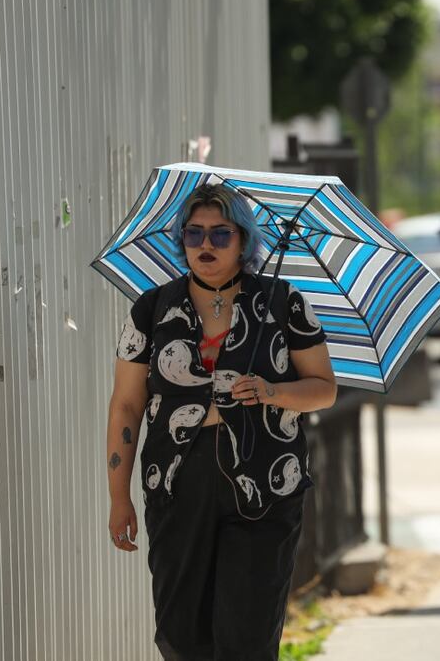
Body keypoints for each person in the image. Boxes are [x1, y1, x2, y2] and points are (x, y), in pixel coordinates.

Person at [105, 183, 337, 660]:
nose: (205, 245)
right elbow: (126, 405)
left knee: (247, 637)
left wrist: (273, 391)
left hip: (265, 482)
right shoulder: (151, 309)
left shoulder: (282, 303)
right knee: (181, 634)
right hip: (176, 483)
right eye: (193, 234)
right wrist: (117, 495)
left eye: (220, 234)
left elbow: (324, 388)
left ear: (244, 241)